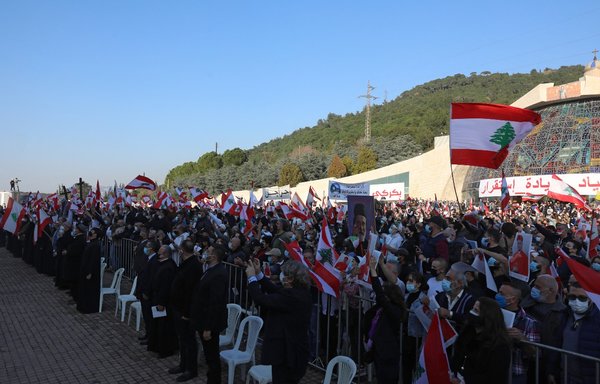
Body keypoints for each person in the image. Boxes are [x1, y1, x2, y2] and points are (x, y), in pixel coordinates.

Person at [245, 258, 312, 384]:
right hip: (291, 352)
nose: (282, 277)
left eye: (285, 275)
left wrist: (251, 278)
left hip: (288, 356)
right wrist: (259, 274)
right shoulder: (300, 292)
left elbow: (260, 299)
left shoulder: (293, 297)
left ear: (291, 279)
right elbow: (275, 290)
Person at [450, 297, 511, 384]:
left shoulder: (499, 345)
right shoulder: (467, 333)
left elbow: (494, 376)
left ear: (487, 316)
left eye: (476, 311)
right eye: (472, 309)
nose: (471, 313)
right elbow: (458, 356)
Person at [364, 255, 405, 383]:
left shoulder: (394, 310)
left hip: (388, 352)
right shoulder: (383, 308)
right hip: (379, 349)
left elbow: (379, 292)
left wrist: (373, 269)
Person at [190, 245, 228, 384]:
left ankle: (214, 381)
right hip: (203, 318)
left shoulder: (218, 274)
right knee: (209, 354)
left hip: (209, 323)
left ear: (214, 256)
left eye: (209, 252)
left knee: (212, 356)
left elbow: (215, 304)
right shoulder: (210, 269)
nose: (206, 253)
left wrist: (208, 328)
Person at [168, 239, 203, 382]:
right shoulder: (186, 263)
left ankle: (191, 369)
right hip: (179, 308)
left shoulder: (193, 266)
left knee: (189, 341)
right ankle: (183, 364)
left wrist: (187, 313)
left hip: (186, 311)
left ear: (182, 250)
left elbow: (191, 292)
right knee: (182, 339)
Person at [522, 274, 566, 382]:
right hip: (523, 359)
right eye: (534, 285)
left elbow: (557, 343)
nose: (534, 289)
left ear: (550, 291)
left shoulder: (562, 313)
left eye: (538, 287)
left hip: (543, 364)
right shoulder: (528, 301)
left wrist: (551, 370)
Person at [560, 281, 600, 384]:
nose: (576, 301)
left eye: (582, 298)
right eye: (572, 297)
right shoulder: (564, 314)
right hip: (565, 376)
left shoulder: (597, 318)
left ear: (591, 298)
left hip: (589, 378)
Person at [147, 245, 178, 358]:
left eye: (160, 252)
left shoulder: (168, 267)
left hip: (163, 301)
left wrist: (161, 302)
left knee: (164, 327)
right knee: (158, 325)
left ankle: (165, 349)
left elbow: (166, 287)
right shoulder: (163, 264)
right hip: (157, 298)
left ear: (165, 254)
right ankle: (157, 346)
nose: (158, 254)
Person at [76, 228, 102, 314]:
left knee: (90, 290)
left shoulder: (96, 245)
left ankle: (89, 307)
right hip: (85, 269)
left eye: (93, 232)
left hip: (90, 271)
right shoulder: (91, 243)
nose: (90, 233)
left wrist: (90, 272)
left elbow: (93, 260)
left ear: (96, 235)